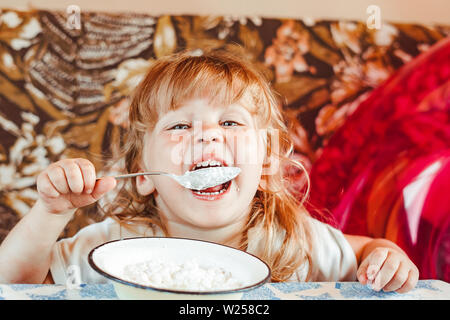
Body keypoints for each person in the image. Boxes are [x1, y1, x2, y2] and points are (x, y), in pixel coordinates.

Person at [0, 49, 419, 293]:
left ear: (268, 161)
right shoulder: (113, 246)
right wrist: (50, 213)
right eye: (180, 126)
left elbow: (368, 251)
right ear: (143, 174)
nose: (206, 138)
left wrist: (389, 261)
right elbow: (12, 285)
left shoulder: (298, 241)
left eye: (230, 123)